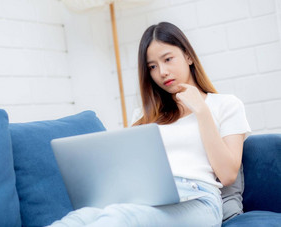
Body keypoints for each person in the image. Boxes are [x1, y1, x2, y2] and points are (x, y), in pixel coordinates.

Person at [48, 22, 251, 227]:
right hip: (146, 199)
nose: (161, 72)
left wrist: (201, 111)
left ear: (188, 56)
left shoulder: (226, 105)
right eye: (152, 66)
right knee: (78, 218)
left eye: (168, 59)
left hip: (200, 201)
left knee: (121, 218)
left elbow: (227, 175)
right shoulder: (145, 115)